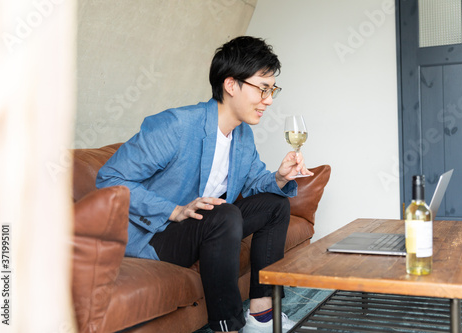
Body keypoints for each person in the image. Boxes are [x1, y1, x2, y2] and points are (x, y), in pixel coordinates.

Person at [96, 36, 313, 333]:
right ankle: (227, 326)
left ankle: (261, 315)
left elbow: (253, 183)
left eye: (272, 89)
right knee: (224, 214)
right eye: (262, 89)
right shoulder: (176, 125)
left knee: (275, 205)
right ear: (231, 84)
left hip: (202, 226)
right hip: (157, 233)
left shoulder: (242, 136)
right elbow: (109, 180)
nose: (269, 99)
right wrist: (174, 210)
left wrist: (279, 177)